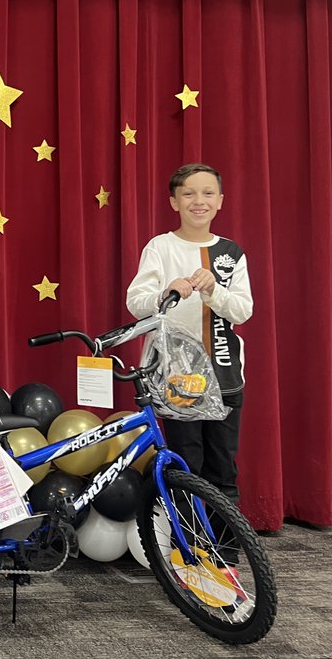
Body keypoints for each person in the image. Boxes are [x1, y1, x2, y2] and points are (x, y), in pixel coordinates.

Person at [126, 163, 253, 517]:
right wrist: (165, 292)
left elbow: (243, 311)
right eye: (189, 194)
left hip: (225, 375)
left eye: (208, 193)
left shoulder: (229, 253)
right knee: (185, 465)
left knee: (223, 469)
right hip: (177, 377)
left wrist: (214, 290)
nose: (199, 201)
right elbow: (136, 303)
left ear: (221, 201)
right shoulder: (160, 247)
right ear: (174, 202)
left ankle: (224, 550)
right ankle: (187, 550)